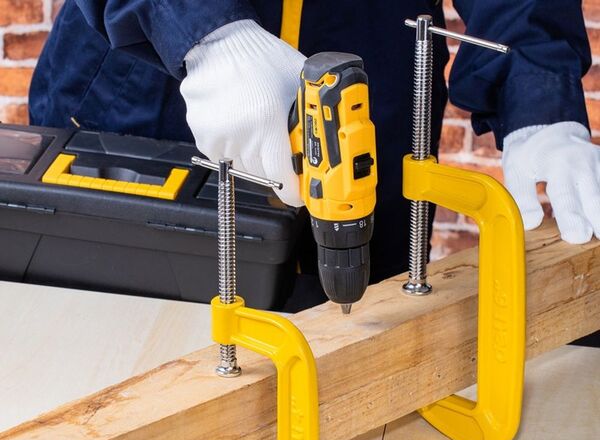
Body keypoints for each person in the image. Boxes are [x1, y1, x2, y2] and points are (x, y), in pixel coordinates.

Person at [29, 0, 600, 311]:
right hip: (152, 91)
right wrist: (201, 30)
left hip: (374, 87)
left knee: (363, 334)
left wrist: (538, 94)